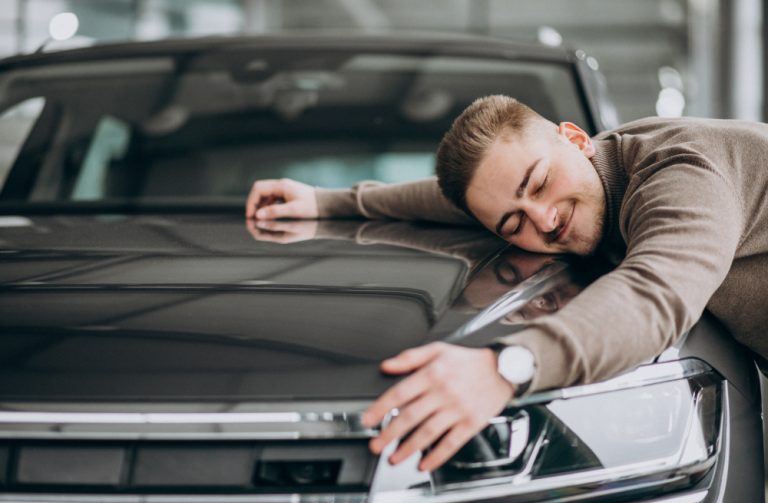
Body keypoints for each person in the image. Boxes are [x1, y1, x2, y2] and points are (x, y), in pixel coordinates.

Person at [245, 95, 768, 472]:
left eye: (538, 184)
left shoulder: (681, 173)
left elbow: (656, 294)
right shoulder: (585, 172)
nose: (542, 220)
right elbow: (451, 199)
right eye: (512, 225)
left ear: (577, 140)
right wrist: (329, 202)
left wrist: (506, 365)